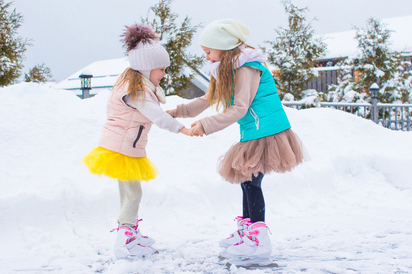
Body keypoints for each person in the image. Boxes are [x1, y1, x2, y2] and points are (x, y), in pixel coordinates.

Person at [167, 19, 309, 266]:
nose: (208, 57)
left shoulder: (247, 68)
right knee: (247, 180)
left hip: (265, 130)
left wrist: (207, 125)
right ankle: (248, 232)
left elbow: (240, 107)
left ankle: (259, 241)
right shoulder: (228, 68)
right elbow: (208, 98)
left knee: (252, 181)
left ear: (223, 46)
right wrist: (180, 110)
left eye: (208, 51)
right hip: (253, 129)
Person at [82, 23, 193, 260]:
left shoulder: (133, 84)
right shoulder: (138, 91)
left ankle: (130, 232)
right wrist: (184, 130)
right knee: (133, 194)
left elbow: (154, 111)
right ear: (147, 68)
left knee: (130, 193)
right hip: (124, 147)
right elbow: (157, 117)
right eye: (161, 69)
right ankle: (125, 240)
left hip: (122, 145)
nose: (164, 74)